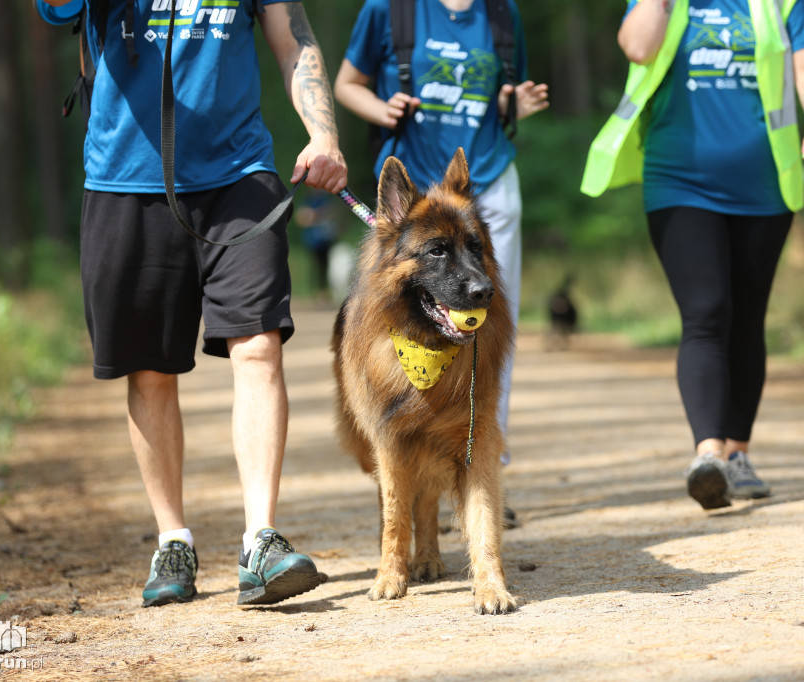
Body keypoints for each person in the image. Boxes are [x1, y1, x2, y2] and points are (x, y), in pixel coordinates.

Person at [35, 0, 347, 606]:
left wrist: (324, 133)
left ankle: (262, 539)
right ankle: (172, 539)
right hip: (126, 178)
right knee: (151, 370)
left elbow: (294, 41)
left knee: (258, 345)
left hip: (239, 173)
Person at [582, 0, 804, 510]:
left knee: (746, 317)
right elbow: (637, 46)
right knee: (706, 312)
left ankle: (738, 454)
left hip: (765, 182)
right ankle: (709, 455)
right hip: (679, 181)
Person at [333, 0, 549, 523]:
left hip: (481, 183)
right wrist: (376, 109)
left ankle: (478, 466)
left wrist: (511, 105)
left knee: (488, 326)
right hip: (413, 194)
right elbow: (346, 84)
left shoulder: (501, 13)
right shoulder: (389, 10)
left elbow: (498, 93)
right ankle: (411, 467)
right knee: (403, 328)